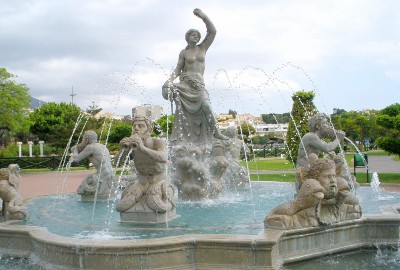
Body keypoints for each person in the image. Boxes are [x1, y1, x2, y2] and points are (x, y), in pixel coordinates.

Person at [162, 8, 227, 143]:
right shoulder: (183, 53)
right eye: (193, 35)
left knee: (207, 106)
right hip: (186, 85)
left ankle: (217, 133)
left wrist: (204, 17)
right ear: (187, 38)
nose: (196, 36)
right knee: (173, 95)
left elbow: (213, 32)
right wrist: (168, 81)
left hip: (198, 86)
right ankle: (183, 136)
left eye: (198, 35)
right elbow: (178, 69)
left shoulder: (202, 47)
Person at [115, 116, 175, 214]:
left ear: (149, 129)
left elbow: (163, 157)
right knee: (121, 207)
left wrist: (142, 148)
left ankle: (167, 194)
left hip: (157, 180)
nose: (136, 128)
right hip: (141, 181)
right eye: (134, 126)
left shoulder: (157, 142)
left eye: (141, 126)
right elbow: (117, 162)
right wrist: (122, 150)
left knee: (156, 205)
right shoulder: (131, 145)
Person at [69, 130, 115, 199]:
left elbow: (76, 159)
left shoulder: (90, 147)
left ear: (86, 139)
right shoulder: (103, 146)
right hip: (111, 175)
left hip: (101, 177)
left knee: (81, 189)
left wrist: (75, 149)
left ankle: (89, 199)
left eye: (84, 138)